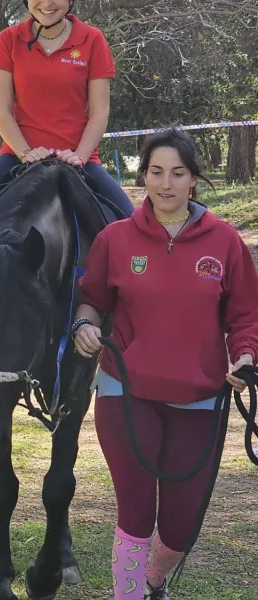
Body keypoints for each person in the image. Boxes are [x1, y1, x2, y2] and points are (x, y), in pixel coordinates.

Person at [71, 128, 258, 599]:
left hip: (200, 396)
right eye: (156, 172)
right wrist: (84, 326)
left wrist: (246, 355)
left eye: (178, 173)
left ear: (194, 179)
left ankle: (155, 578)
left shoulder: (226, 242)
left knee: (180, 524)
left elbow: (244, 317)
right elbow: (90, 300)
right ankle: (128, 594)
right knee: (135, 509)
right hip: (126, 392)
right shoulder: (115, 240)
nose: (166, 183)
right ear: (144, 176)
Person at [0, 0, 135, 349]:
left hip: (79, 158)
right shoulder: (9, 40)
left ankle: (132, 315)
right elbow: (2, 110)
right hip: (18, 156)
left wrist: (79, 155)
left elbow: (100, 113)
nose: (47, 3)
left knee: (130, 223)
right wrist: (25, 151)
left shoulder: (92, 40)